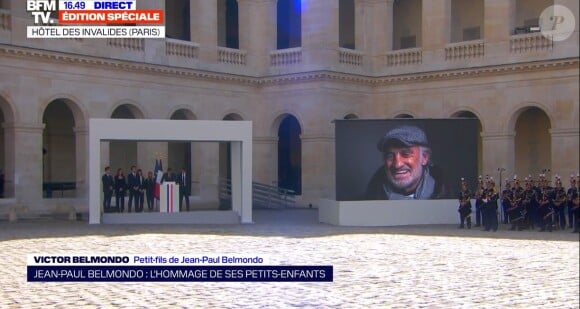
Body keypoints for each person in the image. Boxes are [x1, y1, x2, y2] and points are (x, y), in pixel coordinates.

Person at [365, 125, 446, 200]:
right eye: (390, 156)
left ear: (424, 158)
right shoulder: (367, 200)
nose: (397, 165)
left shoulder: (451, 196)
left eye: (406, 154)